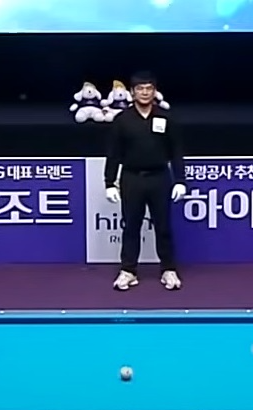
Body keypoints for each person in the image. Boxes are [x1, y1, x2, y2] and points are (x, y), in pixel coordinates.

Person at [103, 70, 186, 291]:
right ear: (132, 92)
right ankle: (128, 271)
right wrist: (109, 182)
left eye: (149, 89)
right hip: (132, 178)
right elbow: (113, 154)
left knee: (163, 227)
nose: (145, 92)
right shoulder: (122, 120)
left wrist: (180, 180)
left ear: (155, 91)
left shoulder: (166, 117)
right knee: (131, 226)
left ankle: (168, 269)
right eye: (140, 89)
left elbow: (176, 151)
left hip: (160, 177)